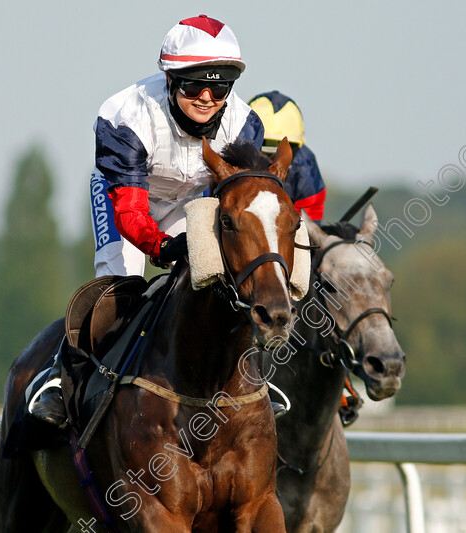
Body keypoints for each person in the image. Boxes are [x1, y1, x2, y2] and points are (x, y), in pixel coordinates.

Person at [32, 15, 311, 427]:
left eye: (218, 87)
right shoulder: (125, 116)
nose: (206, 97)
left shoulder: (244, 122)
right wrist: (161, 246)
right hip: (126, 195)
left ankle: (244, 375)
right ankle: (62, 375)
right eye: (194, 84)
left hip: (193, 199)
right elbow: (130, 210)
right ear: (169, 80)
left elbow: (241, 201)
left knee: (215, 280)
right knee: (120, 282)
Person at [247, 91, 326, 223]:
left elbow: (310, 224)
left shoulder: (306, 167)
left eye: (282, 147)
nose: (272, 160)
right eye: (264, 144)